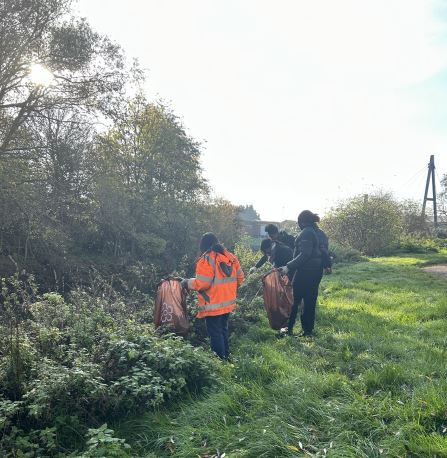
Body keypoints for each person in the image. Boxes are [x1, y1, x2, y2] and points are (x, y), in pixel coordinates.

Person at [181, 232, 244, 359]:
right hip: (227, 303)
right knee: (223, 330)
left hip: (213, 305)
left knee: (215, 334)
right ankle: (226, 357)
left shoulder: (207, 259)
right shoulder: (231, 257)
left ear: (203, 245)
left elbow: (203, 284)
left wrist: (186, 283)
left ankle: (220, 361)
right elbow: (240, 278)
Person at [279, 211, 324, 337]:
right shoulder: (318, 232)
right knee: (309, 301)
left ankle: (288, 329)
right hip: (316, 272)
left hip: (305, 272)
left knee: (293, 300)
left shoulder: (306, 233)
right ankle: (307, 331)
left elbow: (305, 254)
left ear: (301, 222)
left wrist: (288, 266)